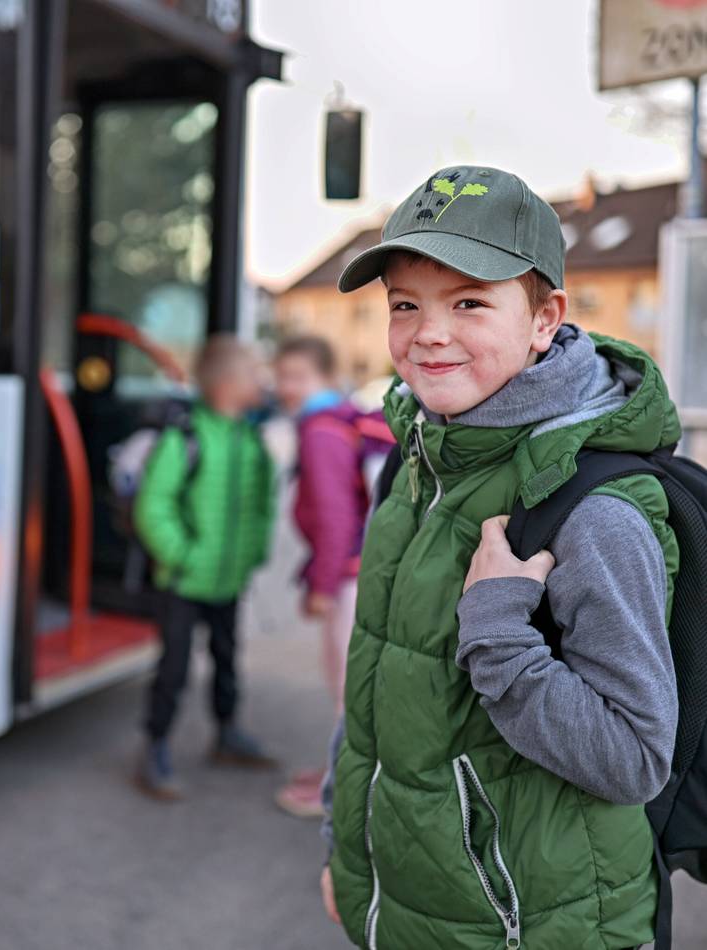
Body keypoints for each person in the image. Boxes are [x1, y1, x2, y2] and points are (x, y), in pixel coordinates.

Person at [321, 165, 679, 949]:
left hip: (540, 929)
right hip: (413, 912)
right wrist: (347, 849)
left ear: (545, 318)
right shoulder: (417, 460)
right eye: (405, 304)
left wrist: (498, 628)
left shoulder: (594, 509)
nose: (428, 333)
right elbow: (379, 686)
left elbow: (633, 758)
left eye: (470, 302)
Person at [134, 334, 277, 801]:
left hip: (228, 578)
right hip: (184, 579)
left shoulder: (250, 438)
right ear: (228, 384)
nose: (264, 382)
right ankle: (156, 745)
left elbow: (262, 504)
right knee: (173, 667)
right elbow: (153, 506)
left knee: (226, 658)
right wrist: (183, 555)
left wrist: (252, 551)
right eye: (256, 374)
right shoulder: (186, 437)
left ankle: (227, 731)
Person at [273, 336, 390, 818]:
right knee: (351, 681)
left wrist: (321, 586)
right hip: (356, 571)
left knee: (350, 686)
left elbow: (335, 516)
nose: (285, 387)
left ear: (324, 375)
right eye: (281, 376)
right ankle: (338, 770)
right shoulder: (338, 419)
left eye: (297, 377)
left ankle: (343, 791)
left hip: (348, 577)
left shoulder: (321, 430)